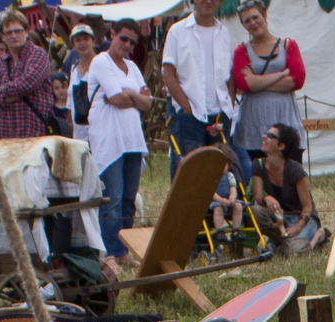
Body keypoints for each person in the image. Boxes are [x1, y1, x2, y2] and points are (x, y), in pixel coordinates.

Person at [89, 18, 150, 277]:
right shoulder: (100, 61)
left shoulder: (133, 66)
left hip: (132, 140)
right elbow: (115, 98)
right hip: (109, 140)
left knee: (128, 200)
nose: (127, 45)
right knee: (111, 200)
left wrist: (131, 96)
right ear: (112, 34)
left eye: (132, 42)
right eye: (123, 38)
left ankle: (123, 250)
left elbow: (147, 103)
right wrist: (134, 97)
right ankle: (110, 253)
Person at [163, 0, 246, 185]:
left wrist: (228, 107)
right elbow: (168, 74)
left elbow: (231, 76)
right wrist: (186, 107)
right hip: (189, 114)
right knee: (188, 173)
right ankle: (185, 214)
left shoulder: (224, 33)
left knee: (221, 173)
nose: (208, 1)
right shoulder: (177, 31)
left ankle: (215, 213)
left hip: (219, 114)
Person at [231, 0, 305, 166]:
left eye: (255, 17)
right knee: (259, 176)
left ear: (265, 15)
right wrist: (281, 74)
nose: (253, 23)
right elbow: (244, 84)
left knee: (291, 172)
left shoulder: (288, 45)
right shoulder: (242, 50)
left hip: (284, 116)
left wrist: (257, 83)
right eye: (247, 21)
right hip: (255, 121)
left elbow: (297, 79)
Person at [0, 11, 58, 140]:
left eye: (18, 31)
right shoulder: (0, 63)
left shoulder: (38, 54)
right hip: (7, 135)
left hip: (35, 133)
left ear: (26, 31)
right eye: (9, 32)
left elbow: (28, 84)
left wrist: (2, 90)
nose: (13, 35)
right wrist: (16, 93)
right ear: (3, 36)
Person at [253, 122, 323, 253]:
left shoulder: (295, 170)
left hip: (302, 219)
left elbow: (307, 208)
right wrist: (266, 198)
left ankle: (318, 236)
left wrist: (297, 228)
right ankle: (282, 241)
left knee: (293, 252)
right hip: (280, 218)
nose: (264, 137)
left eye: (270, 135)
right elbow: (257, 198)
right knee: (255, 210)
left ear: (281, 146)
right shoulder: (258, 165)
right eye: (265, 133)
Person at [66, 24, 98, 143]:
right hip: (79, 133)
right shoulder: (74, 69)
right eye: (78, 40)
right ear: (73, 45)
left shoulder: (100, 65)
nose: (82, 43)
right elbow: (70, 98)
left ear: (93, 41)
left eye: (86, 39)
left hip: (98, 130)